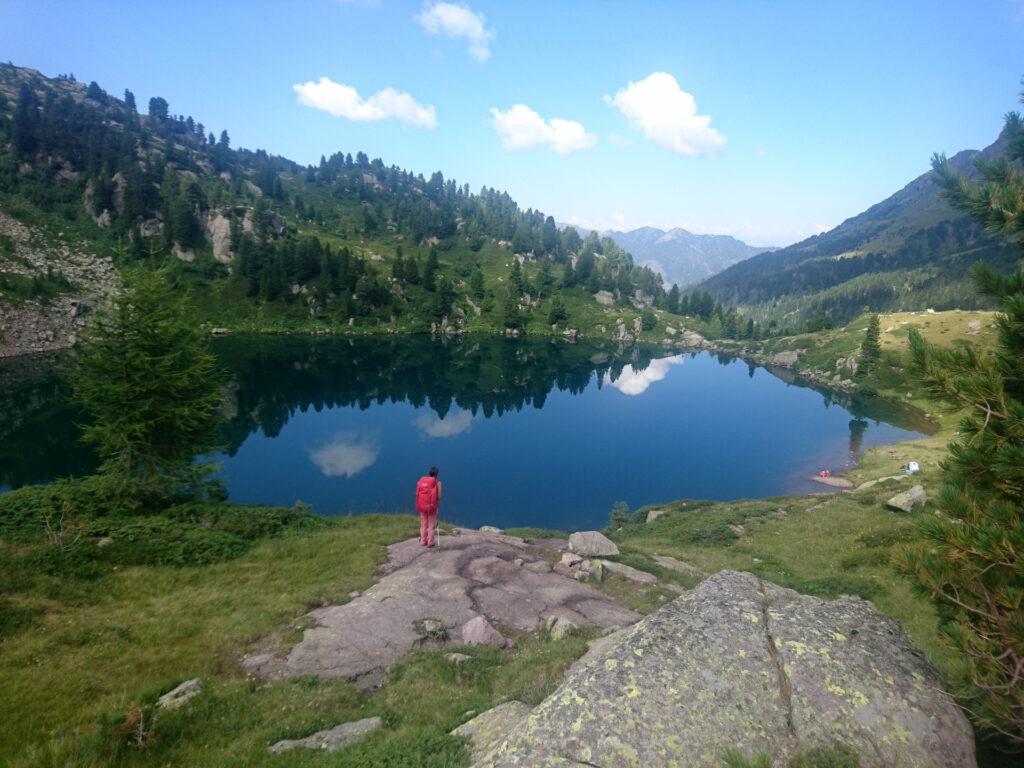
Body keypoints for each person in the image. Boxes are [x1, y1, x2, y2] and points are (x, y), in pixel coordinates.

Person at [415, 466, 442, 547]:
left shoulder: (422, 481)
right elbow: (439, 496)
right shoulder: (438, 483)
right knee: (431, 525)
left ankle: (423, 541)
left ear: (429, 473)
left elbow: (417, 493)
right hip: (432, 507)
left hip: (422, 505)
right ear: (437, 474)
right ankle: (430, 542)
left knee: (423, 524)